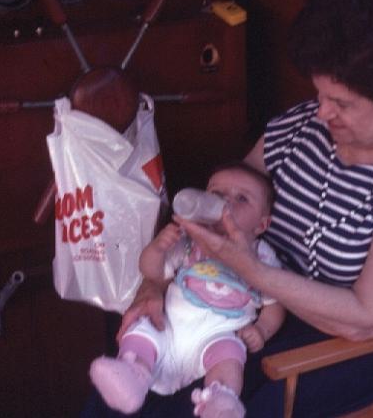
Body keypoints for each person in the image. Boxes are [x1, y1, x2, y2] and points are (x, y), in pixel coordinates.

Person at [83, 0, 373, 417]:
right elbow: (226, 207)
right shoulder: (300, 129)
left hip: (338, 341)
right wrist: (154, 284)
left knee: (187, 404)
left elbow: (365, 318)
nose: (321, 112)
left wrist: (255, 277)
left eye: (341, 102)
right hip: (240, 298)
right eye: (319, 93)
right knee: (135, 367)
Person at [88, 161, 285, 417]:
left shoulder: (262, 257)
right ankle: (131, 377)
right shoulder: (191, 242)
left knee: (231, 355)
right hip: (169, 325)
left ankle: (219, 402)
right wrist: (158, 248)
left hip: (217, 334)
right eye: (216, 195)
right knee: (142, 329)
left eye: (241, 198)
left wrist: (262, 329)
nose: (226, 204)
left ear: (261, 225)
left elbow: (275, 301)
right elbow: (152, 272)